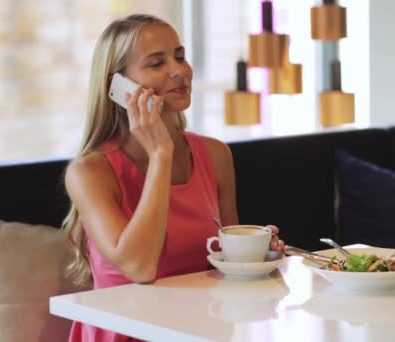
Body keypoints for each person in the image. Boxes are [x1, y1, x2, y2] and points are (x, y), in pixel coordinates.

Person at [61, 14, 285, 342]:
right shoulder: (89, 172)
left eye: (179, 56)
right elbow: (139, 267)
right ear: (118, 86)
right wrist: (160, 156)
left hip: (198, 329)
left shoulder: (215, 155)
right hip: (127, 333)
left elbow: (225, 263)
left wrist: (254, 255)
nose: (179, 70)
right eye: (156, 63)